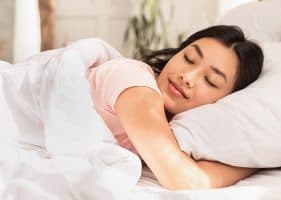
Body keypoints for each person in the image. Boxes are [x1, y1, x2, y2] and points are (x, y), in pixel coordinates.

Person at [87, 25, 264, 190]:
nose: (187, 76)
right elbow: (181, 177)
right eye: (189, 58)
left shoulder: (178, 127)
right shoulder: (135, 82)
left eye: (210, 80)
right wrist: (251, 164)